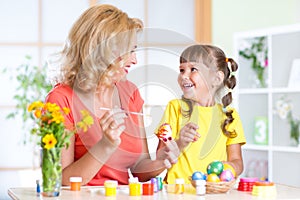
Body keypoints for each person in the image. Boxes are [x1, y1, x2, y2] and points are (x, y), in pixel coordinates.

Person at [46, 4, 179, 186]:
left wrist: (161, 160)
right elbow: (61, 180)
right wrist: (105, 145)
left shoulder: (130, 92)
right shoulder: (61, 99)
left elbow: (140, 169)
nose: (134, 60)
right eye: (129, 51)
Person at [155, 44, 246, 184]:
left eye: (193, 69)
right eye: (181, 70)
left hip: (212, 193)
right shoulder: (175, 107)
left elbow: (237, 161)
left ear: (216, 78)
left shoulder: (229, 116)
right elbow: (159, 156)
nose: (184, 76)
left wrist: (228, 169)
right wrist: (179, 143)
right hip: (177, 192)